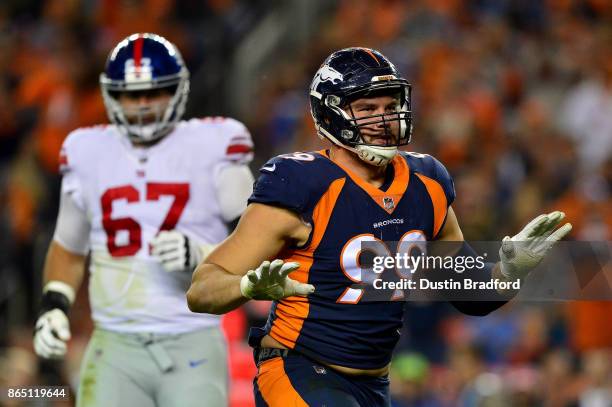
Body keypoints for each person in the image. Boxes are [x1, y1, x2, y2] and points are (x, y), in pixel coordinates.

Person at [186, 47, 571, 406]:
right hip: (297, 368)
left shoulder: (427, 183)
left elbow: (471, 295)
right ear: (331, 114)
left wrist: (509, 270)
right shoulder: (302, 184)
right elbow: (203, 289)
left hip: (373, 384)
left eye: (391, 106)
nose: (384, 120)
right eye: (368, 108)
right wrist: (247, 286)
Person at [33, 33, 254, 407]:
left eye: (156, 92)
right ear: (111, 95)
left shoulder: (215, 143)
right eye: (132, 95)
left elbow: (255, 238)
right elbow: (68, 247)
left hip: (193, 337)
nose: (144, 105)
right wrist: (54, 306)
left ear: (179, 90)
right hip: (114, 343)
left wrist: (202, 254)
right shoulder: (86, 150)